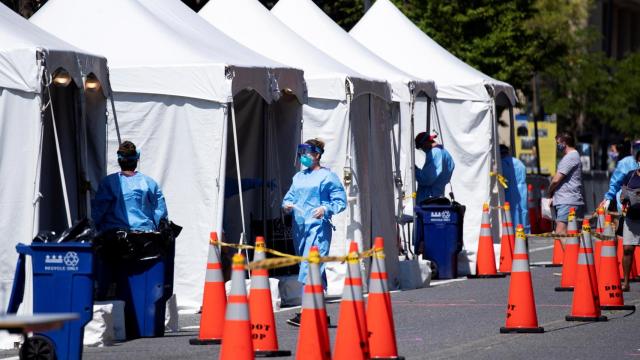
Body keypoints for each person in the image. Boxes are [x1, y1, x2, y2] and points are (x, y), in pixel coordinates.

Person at [282, 139, 346, 327]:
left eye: (307, 153)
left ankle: (305, 311)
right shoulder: (298, 177)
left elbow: (339, 201)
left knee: (310, 267)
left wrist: (326, 209)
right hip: (300, 228)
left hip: (318, 228)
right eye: (301, 153)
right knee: (314, 269)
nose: (303, 157)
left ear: (317, 155)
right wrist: (286, 206)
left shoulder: (328, 177)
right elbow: (290, 197)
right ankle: (320, 313)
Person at [92, 140, 168, 233]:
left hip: (114, 239)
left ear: (119, 160)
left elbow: (97, 214)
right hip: (145, 239)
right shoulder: (149, 183)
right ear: (137, 159)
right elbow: (161, 216)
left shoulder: (108, 183)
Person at [548, 132, 584, 234]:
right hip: (567, 200)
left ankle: (569, 251)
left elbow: (556, 180)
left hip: (567, 200)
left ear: (564, 143)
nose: (557, 146)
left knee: (561, 232)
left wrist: (549, 191)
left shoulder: (570, 157)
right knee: (570, 234)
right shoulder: (573, 156)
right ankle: (571, 250)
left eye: (558, 143)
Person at [414, 132, 455, 205]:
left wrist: (416, 170)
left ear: (425, 143)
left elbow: (426, 178)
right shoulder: (445, 153)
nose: (423, 150)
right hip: (438, 196)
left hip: (429, 199)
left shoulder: (434, 153)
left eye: (421, 147)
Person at [620, 149, 640, 291]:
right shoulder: (630, 175)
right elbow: (623, 192)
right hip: (631, 218)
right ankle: (626, 282)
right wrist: (625, 199)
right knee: (627, 249)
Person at [600, 140, 640, 212]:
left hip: (626, 202)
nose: (612, 152)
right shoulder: (633, 160)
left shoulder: (624, 162)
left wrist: (607, 198)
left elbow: (615, 183)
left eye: (613, 150)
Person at [500, 144, 529, 233]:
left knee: (510, 215)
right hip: (522, 192)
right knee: (522, 213)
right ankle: (524, 235)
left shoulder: (501, 164)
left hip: (508, 193)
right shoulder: (519, 163)